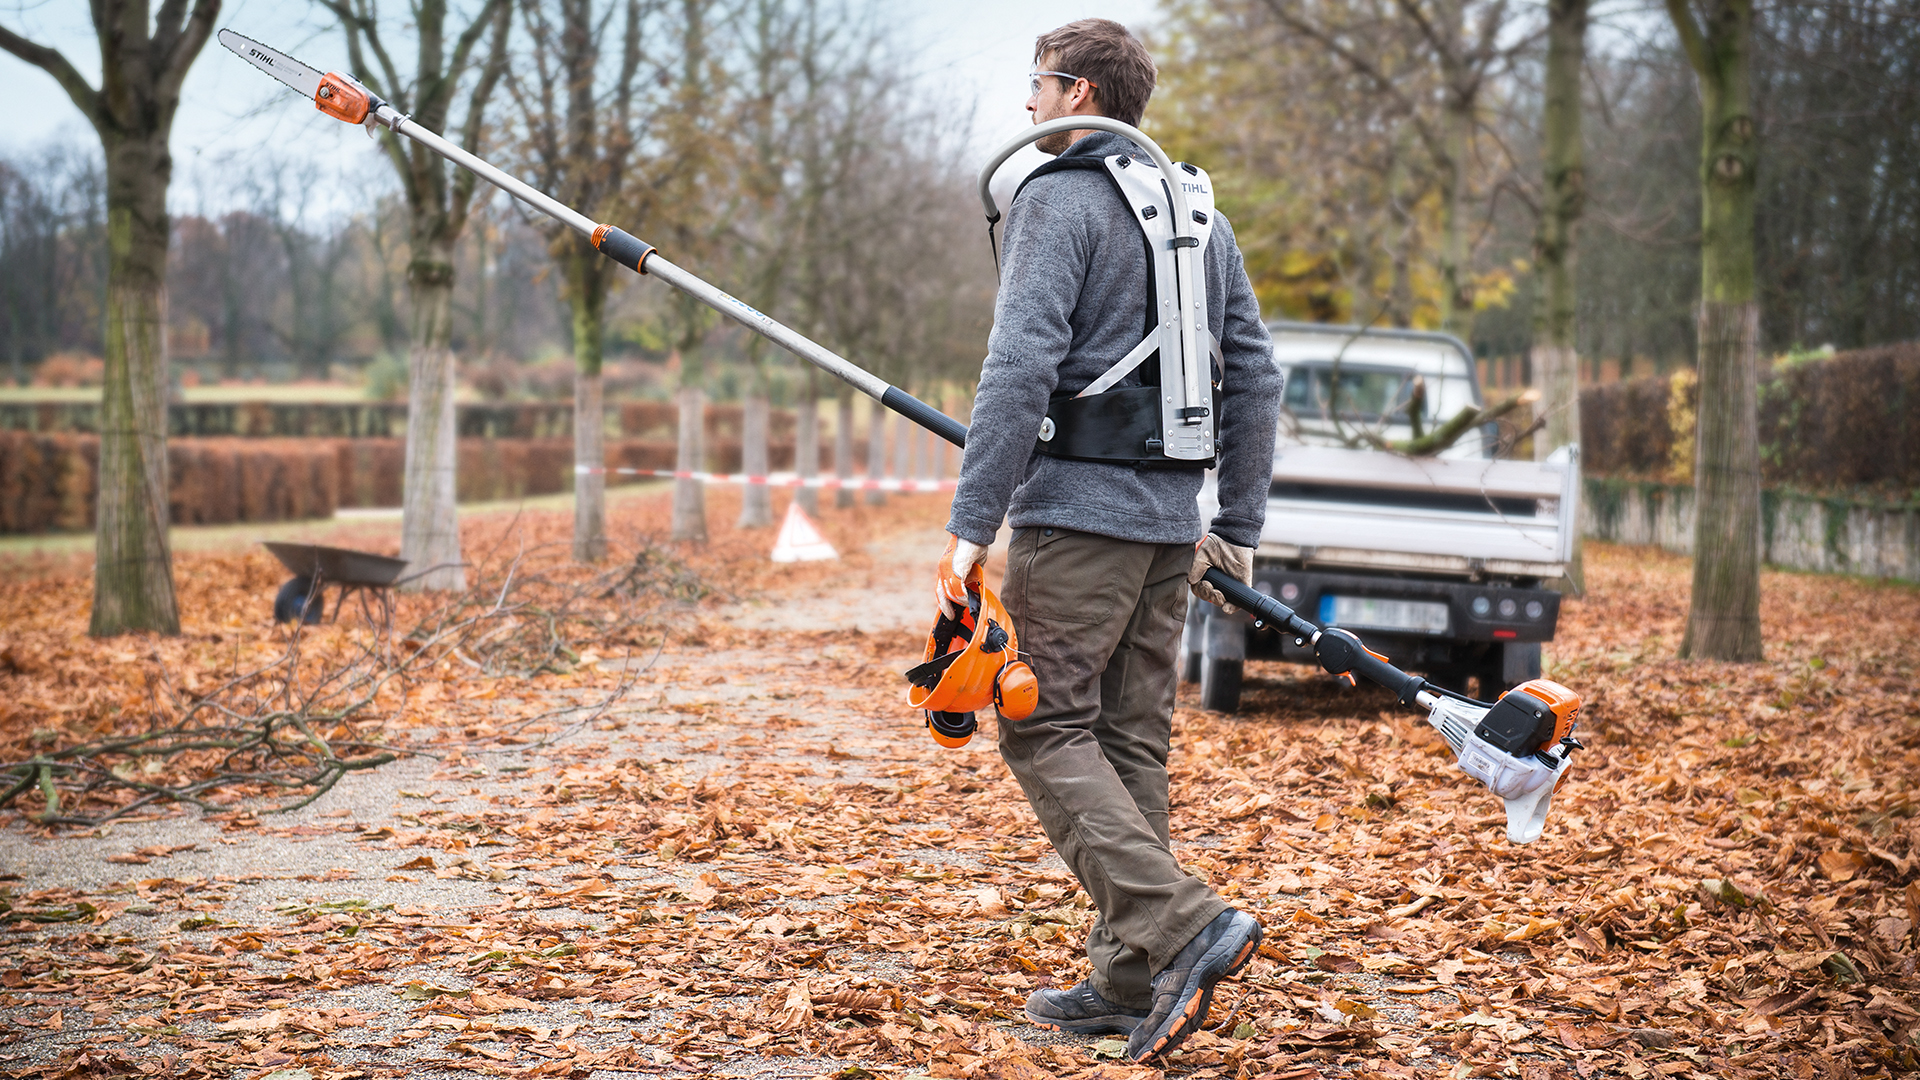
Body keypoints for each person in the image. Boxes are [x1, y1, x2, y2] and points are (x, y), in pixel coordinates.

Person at [941, 17, 1284, 1065]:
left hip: (1075, 527)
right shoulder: (1199, 214)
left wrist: (970, 527)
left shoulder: (1057, 199)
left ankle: (1184, 924)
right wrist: (1236, 528)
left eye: (1039, 86)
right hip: (1167, 535)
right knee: (1130, 741)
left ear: (1081, 93)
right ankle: (1129, 980)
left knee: (1042, 730)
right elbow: (1256, 375)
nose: (1029, 105)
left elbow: (1017, 372)